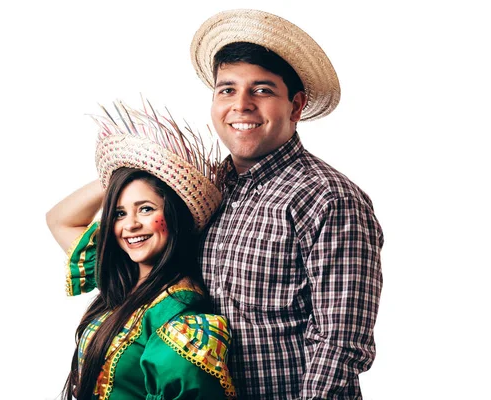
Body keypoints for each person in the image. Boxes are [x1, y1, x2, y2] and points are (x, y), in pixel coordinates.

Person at [190, 9, 384, 399]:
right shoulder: (203, 190)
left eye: (262, 90)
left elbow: (340, 344)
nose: (241, 104)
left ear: (296, 106)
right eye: (227, 89)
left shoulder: (329, 199)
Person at [46, 102, 236, 400]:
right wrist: (127, 169)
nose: (130, 225)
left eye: (145, 209)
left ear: (174, 216)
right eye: (119, 213)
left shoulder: (179, 316)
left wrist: (149, 170)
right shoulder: (122, 278)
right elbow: (59, 219)